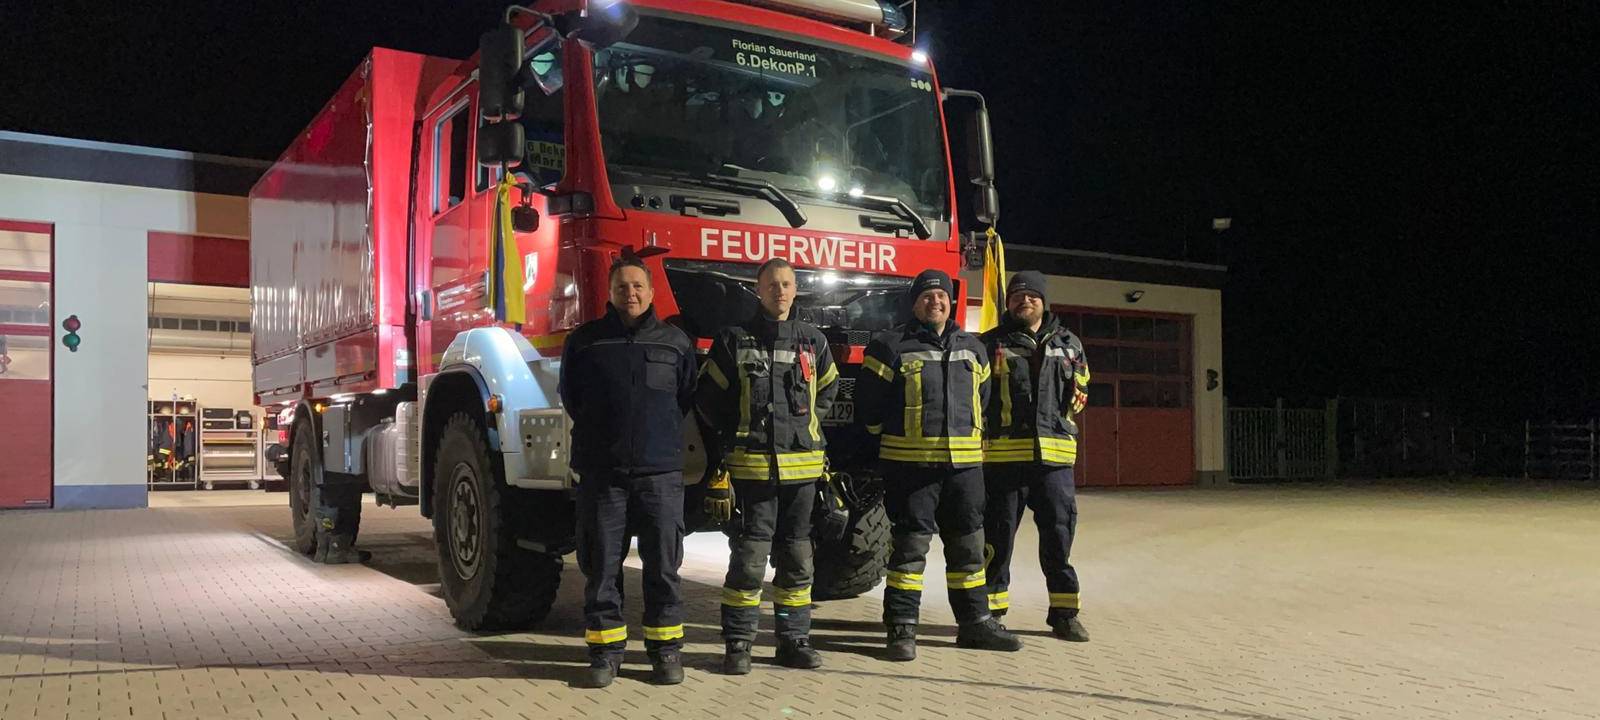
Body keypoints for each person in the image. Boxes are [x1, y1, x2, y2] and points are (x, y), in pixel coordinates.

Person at [856, 268, 1022, 661]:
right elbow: (869, 407)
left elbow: (982, 400)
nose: (936, 301)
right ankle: (901, 629)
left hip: (965, 471)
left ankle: (975, 623)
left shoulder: (973, 347)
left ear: (951, 301)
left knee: (969, 549)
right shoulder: (889, 345)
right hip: (912, 470)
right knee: (909, 551)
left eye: (942, 295)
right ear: (914, 302)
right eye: (927, 295)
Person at [559, 253, 698, 688]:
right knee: (601, 567)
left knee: (663, 567)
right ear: (610, 292)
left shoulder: (675, 342)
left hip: (660, 475)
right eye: (622, 287)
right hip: (604, 475)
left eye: (638, 286)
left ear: (652, 292)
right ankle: (605, 653)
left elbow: (685, 397)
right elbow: (572, 398)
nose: (631, 293)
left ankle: (665, 652)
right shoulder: (585, 342)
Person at [696, 258, 840, 675]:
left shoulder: (814, 342)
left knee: (798, 558)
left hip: (803, 474)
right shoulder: (734, 340)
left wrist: (808, 425)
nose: (780, 291)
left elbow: (827, 389)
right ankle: (738, 644)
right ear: (758, 291)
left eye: (787, 284)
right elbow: (708, 400)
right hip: (753, 471)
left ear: (796, 291)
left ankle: (793, 641)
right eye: (771, 284)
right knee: (748, 559)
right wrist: (736, 436)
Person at [979, 271, 1093, 642]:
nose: (1024, 301)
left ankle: (1064, 614)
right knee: (997, 542)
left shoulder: (1070, 343)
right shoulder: (989, 344)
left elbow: (1082, 387)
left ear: (1044, 301)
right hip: (1004, 461)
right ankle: (991, 616)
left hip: (1055, 460)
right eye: (1016, 296)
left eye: (1031, 296)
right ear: (1008, 303)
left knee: (1059, 540)